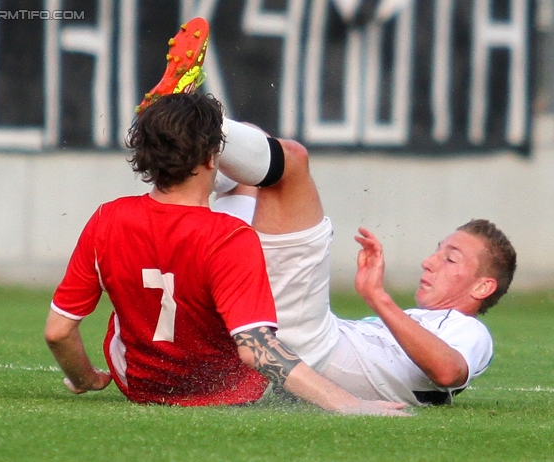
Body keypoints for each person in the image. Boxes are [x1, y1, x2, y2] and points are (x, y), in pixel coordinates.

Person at [44, 18, 407, 416]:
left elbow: (58, 332)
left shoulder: (106, 218)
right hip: (229, 390)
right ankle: (204, 125)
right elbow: (256, 349)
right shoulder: (230, 236)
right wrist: (348, 403)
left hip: (141, 385)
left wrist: (86, 378)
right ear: (212, 156)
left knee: (248, 185)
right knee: (262, 176)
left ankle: (179, 122)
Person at [212, 131, 517, 407]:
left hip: (307, 341)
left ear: (482, 287)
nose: (429, 261)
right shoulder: (415, 320)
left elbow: (448, 373)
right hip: (288, 335)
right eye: (437, 251)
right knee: (250, 167)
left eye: (450, 259)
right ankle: (183, 130)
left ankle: (190, 120)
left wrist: (378, 297)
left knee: (288, 160)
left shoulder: (469, 331)